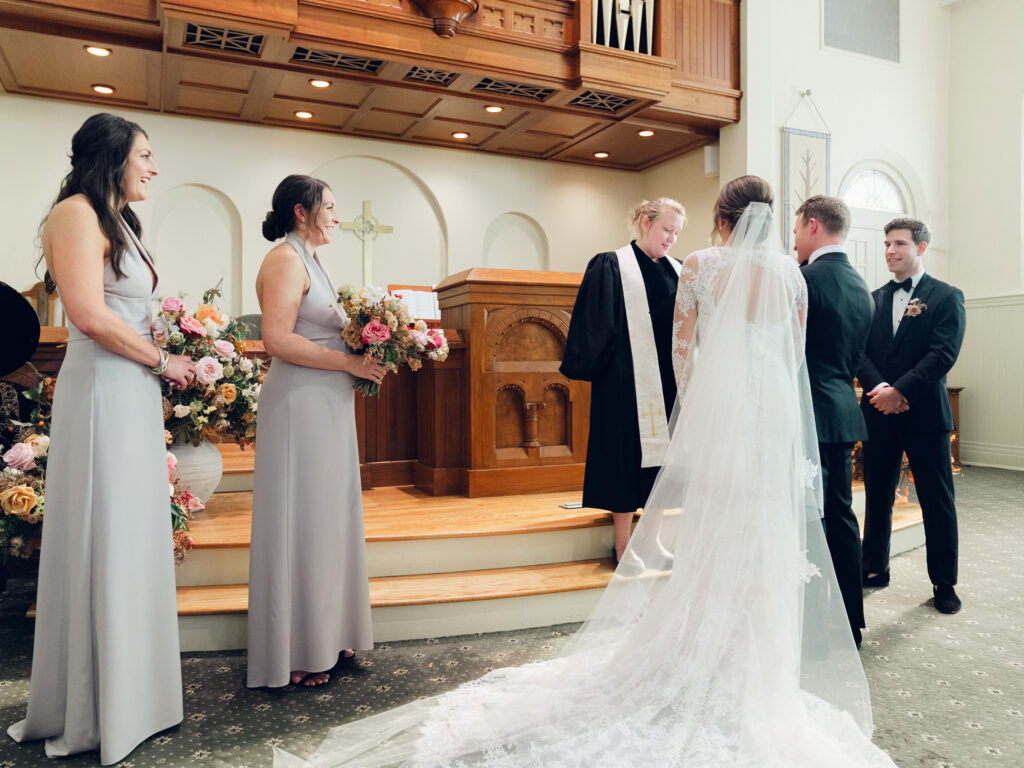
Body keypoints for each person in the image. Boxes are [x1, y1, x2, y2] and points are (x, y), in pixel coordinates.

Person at [272, 177, 897, 767]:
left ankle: (697, 651)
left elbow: (683, 355)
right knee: (760, 537)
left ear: (720, 219)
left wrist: (698, 416)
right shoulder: (792, 274)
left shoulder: (703, 266)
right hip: (770, 425)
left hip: (722, 418)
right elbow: (792, 354)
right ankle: (755, 669)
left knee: (713, 530)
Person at [7, 113, 193, 765]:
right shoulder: (76, 213)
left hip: (132, 388)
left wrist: (169, 343)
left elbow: (126, 311)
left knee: (133, 533)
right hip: (103, 390)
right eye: (145, 154)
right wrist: (159, 360)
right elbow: (87, 314)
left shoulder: (120, 224)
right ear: (113, 156)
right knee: (103, 531)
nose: (154, 166)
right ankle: (92, 709)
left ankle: (136, 697)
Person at [246, 175, 385, 689]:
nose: (337, 215)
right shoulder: (285, 259)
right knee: (303, 519)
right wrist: (349, 359)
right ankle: (298, 649)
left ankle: (328, 631)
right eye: (329, 206)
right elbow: (277, 339)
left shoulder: (313, 259)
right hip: (299, 404)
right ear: (301, 212)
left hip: (327, 402)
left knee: (329, 518)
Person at [560, 198, 685, 567]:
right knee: (624, 459)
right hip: (624, 385)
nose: (671, 239)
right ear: (645, 222)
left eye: (677, 233)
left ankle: (654, 541)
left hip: (669, 382)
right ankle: (623, 543)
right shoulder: (611, 265)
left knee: (663, 464)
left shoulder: (679, 270)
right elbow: (595, 323)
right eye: (666, 229)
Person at [858, 218, 966, 614]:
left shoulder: (946, 296)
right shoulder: (872, 298)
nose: (890, 251)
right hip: (878, 413)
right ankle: (873, 568)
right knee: (878, 495)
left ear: (920, 248)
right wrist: (880, 392)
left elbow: (943, 354)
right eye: (887, 244)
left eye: (899, 244)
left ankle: (944, 582)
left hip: (924, 415)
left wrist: (899, 391)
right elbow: (860, 353)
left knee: (937, 501)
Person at [793, 195, 874, 647]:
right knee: (841, 517)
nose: (795, 239)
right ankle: (849, 622)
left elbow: (789, 353)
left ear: (812, 225)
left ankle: (812, 628)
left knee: (809, 521)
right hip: (843, 411)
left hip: (808, 413)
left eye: (796, 229)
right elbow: (859, 356)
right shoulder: (862, 285)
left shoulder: (805, 281)